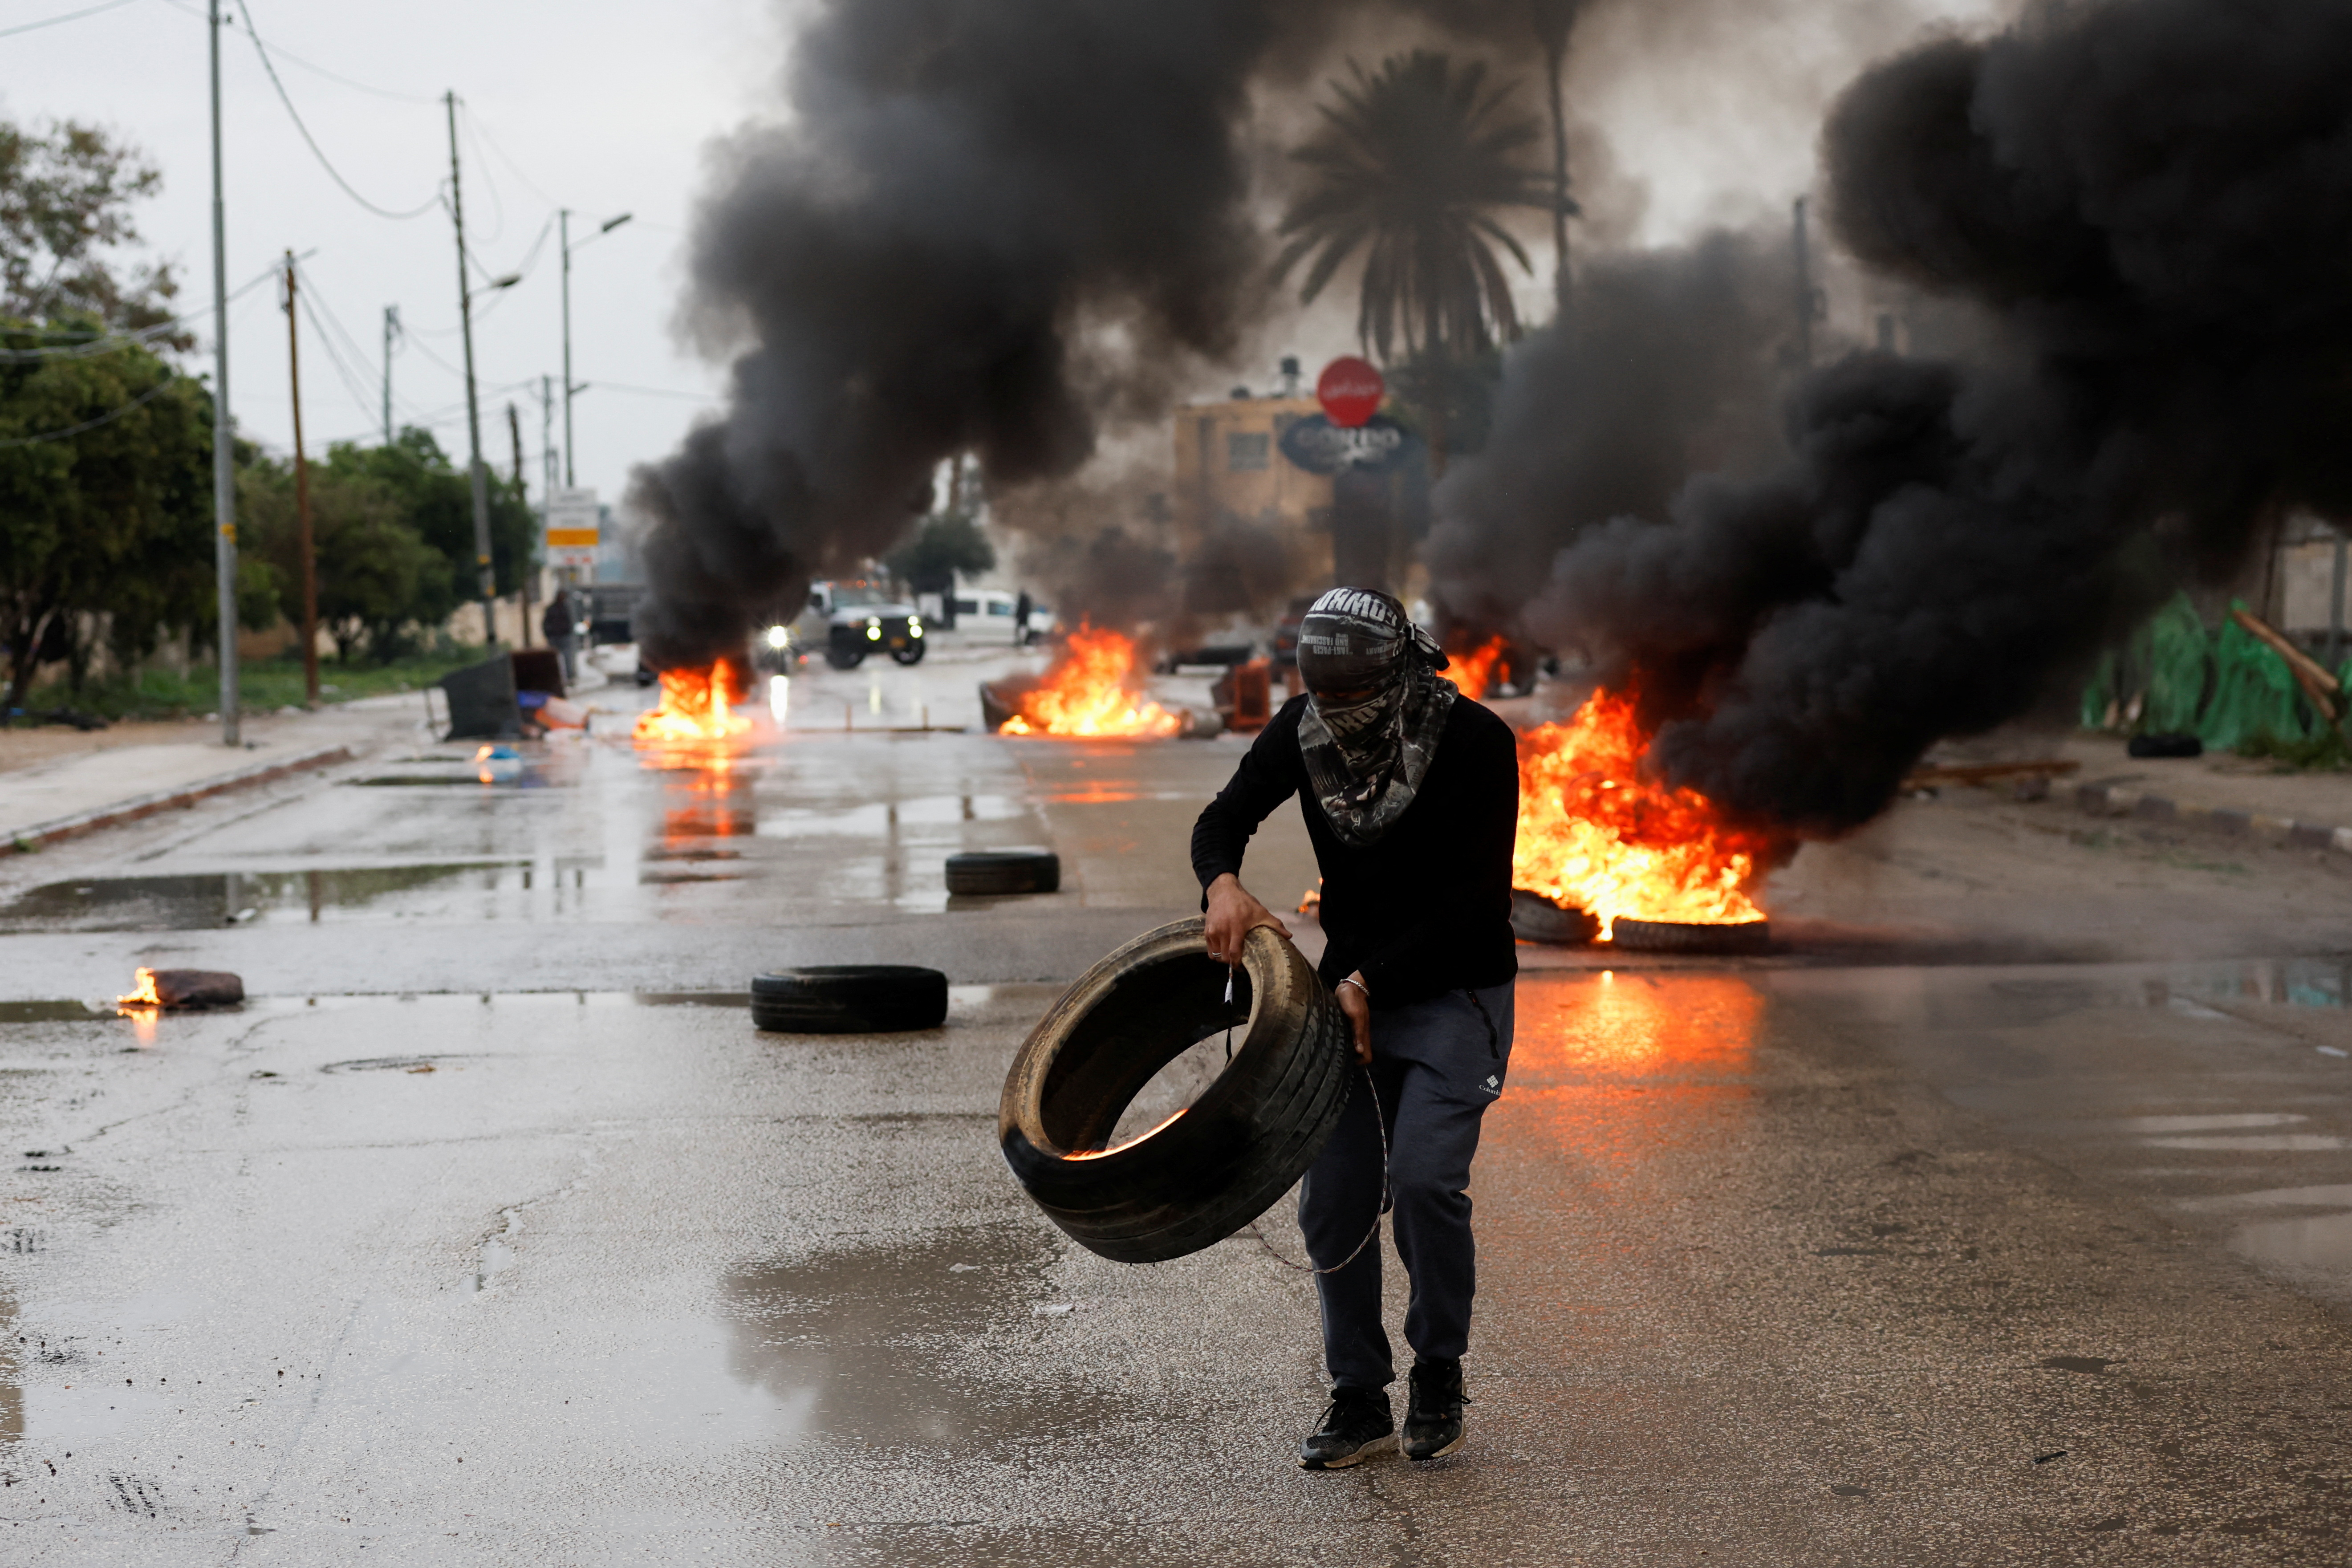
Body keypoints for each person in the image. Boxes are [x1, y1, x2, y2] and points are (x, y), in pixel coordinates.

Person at [1191, 586, 1518, 1469]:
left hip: (1456, 989)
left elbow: (1476, 903)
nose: (1336, 718)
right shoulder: (1303, 730)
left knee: (1419, 1181)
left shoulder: (1477, 742)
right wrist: (1221, 883)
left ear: (1400, 670)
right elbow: (1223, 818)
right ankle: (1358, 1394)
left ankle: (1438, 1370)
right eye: (1323, 700)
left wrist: (1375, 977)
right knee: (1334, 1198)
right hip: (1350, 994)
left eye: (1353, 700)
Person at [542, 591, 579, 682]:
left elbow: (569, 621)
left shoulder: (565, 608)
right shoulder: (552, 609)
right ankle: (555, 678)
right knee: (554, 659)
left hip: (564, 636)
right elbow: (546, 623)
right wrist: (549, 634)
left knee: (567, 657)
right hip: (554, 637)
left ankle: (569, 677)